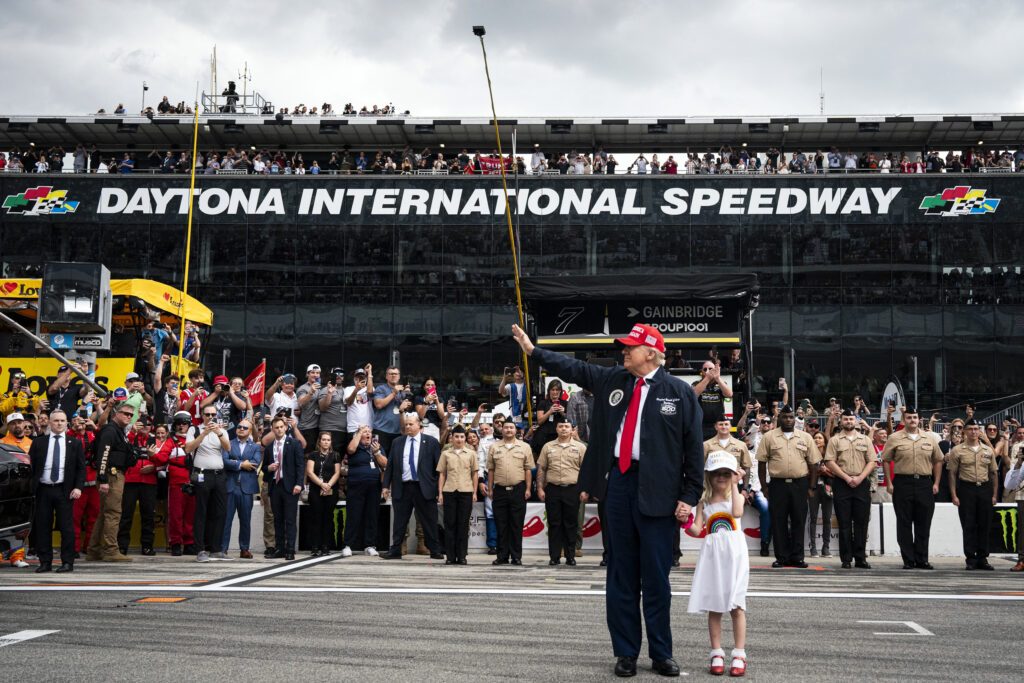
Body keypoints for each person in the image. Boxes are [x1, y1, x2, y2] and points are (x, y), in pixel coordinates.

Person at [512, 322, 702, 678]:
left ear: (651, 352)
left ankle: (662, 653)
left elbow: (694, 450)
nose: (624, 352)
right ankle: (626, 652)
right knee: (620, 575)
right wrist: (533, 351)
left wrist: (690, 496)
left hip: (660, 492)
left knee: (657, 579)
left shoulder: (678, 392)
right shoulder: (614, 380)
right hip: (618, 486)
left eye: (630, 347)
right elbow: (575, 369)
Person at [687, 451, 749, 677]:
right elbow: (697, 529)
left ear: (733, 475)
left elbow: (737, 512)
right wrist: (683, 520)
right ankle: (716, 652)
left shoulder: (737, 497)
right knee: (715, 606)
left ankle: (739, 654)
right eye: (716, 474)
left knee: (736, 605)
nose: (721, 478)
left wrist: (736, 484)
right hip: (713, 555)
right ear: (709, 476)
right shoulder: (704, 502)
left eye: (726, 473)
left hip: (734, 555)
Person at [756, 404, 820, 568]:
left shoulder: (805, 437)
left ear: (794, 418)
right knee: (779, 521)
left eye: (791, 417)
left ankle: (798, 557)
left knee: (799, 520)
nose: (788, 419)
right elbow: (762, 464)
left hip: (800, 484)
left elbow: (813, 465)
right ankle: (781, 557)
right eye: (785, 417)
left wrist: (812, 488)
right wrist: (764, 487)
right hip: (777, 485)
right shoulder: (769, 437)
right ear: (780, 418)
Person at [880, 408, 943, 569]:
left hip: (924, 483)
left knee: (924, 523)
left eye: (915, 417)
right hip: (902, 483)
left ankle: (922, 559)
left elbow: (938, 460)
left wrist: (936, 483)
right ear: (904, 419)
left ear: (919, 419)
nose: (912, 420)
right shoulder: (894, 438)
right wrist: (889, 482)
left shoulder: (929, 438)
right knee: (904, 523)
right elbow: (886, 460)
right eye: (909, 417)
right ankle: (908, 560)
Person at [29, 410, 85, 573]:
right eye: (56, 421)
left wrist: (78, 487)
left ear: (67, 423)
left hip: (64, 491)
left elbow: (81, 468)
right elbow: (31, 466)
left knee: (67, 528)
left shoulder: (74, 443)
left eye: (62, 421)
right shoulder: (38, 442)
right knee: (42, 527)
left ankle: (67, 562)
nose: (59, 423)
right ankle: (45, 562)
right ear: (50, 423)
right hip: (43, 490)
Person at [380, 415, 444, 560]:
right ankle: (395, 550)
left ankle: (434, 550)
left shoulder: (431, 442)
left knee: (429, 520)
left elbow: (438, 468)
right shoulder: (397, 442)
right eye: (406, 424)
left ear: (418, 425)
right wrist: (385, 486)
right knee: (399, 521)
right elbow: (389, 466)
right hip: (402, 487)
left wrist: (435, 486)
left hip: (424, 488)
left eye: (410, 424)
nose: (407, 427)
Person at [824, 410, 876, 569]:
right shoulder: (834, 440)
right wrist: (847, 478)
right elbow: (830, 462)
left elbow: (872, 461)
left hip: (861, 483)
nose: (848, 421)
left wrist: (860, 478)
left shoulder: (865, 440)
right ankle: (846, 559)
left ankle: (860, 558)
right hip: (842, 483)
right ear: (841, 421)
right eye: (845, 419)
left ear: (856, 421)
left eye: (851, 419)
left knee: (861, 523)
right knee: (844, 523)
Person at [86, 402, 137, 562]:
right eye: (125, 413)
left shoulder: (118, 431)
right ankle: (111, 550)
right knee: (113, 513)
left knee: (105, 514)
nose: (129, 416)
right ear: (116, 413)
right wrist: (103, 479)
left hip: (113, 474)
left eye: (131, 414)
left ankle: (93, 549)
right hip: (111, 475)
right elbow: (103, 455)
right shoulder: (110, 430)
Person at [948, 419, 998, 570]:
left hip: (984, 488)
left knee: (985, 524)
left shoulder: (988, 450)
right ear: (964, 431)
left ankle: (983, 558)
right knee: (968, 524)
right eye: (970, 429)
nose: (973, 432)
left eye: (976, 429)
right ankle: (971, 558)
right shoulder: (958, 450)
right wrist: (954, 495)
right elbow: (952, 474)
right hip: (966, 488)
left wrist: (994, 495)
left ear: (979, 431)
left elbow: (994, 474)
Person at [536, 416, 585, 566]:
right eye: (561, 426)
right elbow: (541, 469)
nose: (564, 429)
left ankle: (570, 556)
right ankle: (554, 556)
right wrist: (539, 488)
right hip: (553, 489)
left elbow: (585, 471)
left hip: (573, 489)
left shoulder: (580, 447)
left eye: (567, 426)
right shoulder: (548, 447)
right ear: (556, 429)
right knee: (554, 523)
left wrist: (585, 490)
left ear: (572, 429)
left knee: (571, 524)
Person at [185, 405, 231, 562]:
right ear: (202, 415)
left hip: (219, 475)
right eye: (207, 414)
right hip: (202, 475)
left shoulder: (222, 431)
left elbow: (228, 448)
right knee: (201, 512)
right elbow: (188, 449)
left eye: (213, 414)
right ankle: (200, 549)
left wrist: (218, 432)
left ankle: (216, 548)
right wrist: (204, 433)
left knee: (220, 512)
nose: (210, 417)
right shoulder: (194, 430)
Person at [486, 419, 535, 567]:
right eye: (506, 427)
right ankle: (501, 556)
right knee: (501, 525)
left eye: (511, 428)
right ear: (501, 430)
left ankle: (516, 556)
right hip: (499, 490)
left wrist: (527, 489)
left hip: (518, 490)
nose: (508, 430)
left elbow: (528, 470)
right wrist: (490, 489)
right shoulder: (494, 447)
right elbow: (491, 470)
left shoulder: (525, 447)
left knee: (516, 525)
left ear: (517, 430)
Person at [262, 416, 305, 560]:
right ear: (272, 429)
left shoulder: (294, 443)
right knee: (277, 519)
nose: (279, 429)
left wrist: (299, 483)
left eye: (281, 427)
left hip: (290, 486)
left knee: (290, 519)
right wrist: (268, 467)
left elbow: (300, 465)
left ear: (285, 427)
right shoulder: (269, 448)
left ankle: (290, 550)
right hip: (275, 485)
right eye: (276, 427)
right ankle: (279, 548)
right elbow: (263, 468)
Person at [341, 425, 387, 556]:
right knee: (353, 516)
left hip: (374, 486)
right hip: (356, 485)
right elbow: (350, 449)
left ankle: (369, 545)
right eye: (365, 432)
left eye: (369, 432)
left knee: (371, 516)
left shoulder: (376, 446)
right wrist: (359, 431)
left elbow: (385, 464)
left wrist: (377, 452)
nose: (368, 434)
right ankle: (347, 545)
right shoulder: (355, 445)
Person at [436, 424, 478, 564]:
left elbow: (475, 474)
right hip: (449, 491)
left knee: (463, 524)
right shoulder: (446, 454)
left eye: (461, 437)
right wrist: (440, 492)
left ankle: (462, 556)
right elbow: (442, 474)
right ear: (452, 438)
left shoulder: (471, 454)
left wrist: (474, 492)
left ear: (465, 438)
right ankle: (450, 556)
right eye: (456, 437)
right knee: (450, 524)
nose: (459, 439)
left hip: (466, 491)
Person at [221, 418, 262, 559]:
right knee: (226, 519)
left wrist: (235, 462)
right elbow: (225, 461)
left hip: (246, 488)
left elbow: (255, 462)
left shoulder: (255, 446)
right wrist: (241, 465)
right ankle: (223, 548)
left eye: (245, 428)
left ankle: (244, 548)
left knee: (245, 519)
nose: (241, 429)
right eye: (239, 427)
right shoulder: (229, 444)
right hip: (230, 486)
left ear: (250, 431)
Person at [156, 411, 195, 555]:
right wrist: (153, 455)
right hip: (176, 482)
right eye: (178, 423)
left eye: (184, 423)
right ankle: (176, 543)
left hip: (193, 481)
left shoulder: (195, 438)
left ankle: (190, 543)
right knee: (176, 515)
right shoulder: (170, 441)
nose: (181, 426)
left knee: (191, 515)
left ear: (189, 424)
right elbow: (160, 458)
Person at [117, 419, 160, 555]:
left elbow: (164, 459)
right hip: (130, 480)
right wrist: (133, 431)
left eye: (147, 424)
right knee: (126, 514)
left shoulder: (156, 440)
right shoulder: (130, 437)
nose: (144, 426)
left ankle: (147, 546)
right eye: (141, 423)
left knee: (148, 515)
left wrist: (154, 467)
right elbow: (121, 448)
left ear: (151, 426)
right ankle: (122, 546)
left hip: (149, 481)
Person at [305, 432, 341, 557]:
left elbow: (337, 473)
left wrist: (328, 485)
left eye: (328, 440)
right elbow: (309, 472)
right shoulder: (313, 455)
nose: (326, 442)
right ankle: (315, 546)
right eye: (324, 439)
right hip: (316, 489)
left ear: (331, 442)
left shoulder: (335, 455)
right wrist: (321, 484)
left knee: (328, 518)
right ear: (319, 441)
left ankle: (326, 546)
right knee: (316, 518)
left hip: (331, 490)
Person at [373, 366, 412, 454]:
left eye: (395, 374)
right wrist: (394, 392)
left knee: (395, 459)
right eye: (391, 374)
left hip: (398, 431)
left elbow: (408, 410)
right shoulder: (381, 389)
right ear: (386, 376)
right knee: (379, 457)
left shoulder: (403, 390)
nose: (393, 376)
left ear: (399, 376)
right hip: (381, 430)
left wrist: (407, 396)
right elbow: (378, 405)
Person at [691, 360, 734, 440]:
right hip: (701, 425)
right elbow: (694, 394)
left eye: (710, 369)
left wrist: (717, 378)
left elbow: (729, 394)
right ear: (702, 371)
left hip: (718, 425)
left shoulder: (720, 383)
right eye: (705, 369)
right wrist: (707, 378)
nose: (707, 371)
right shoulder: (696, 383)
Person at [807, 431, 833, 559]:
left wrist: (826, 470)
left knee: (827, 519)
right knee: (813, 518)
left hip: (828, 489)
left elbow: (836, 473)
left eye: (820, 438)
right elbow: (805, 472)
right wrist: (818, 471)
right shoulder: (808, 454)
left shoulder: (829, 455)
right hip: (813, 489)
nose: (817, 440)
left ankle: (826, 548)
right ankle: (813, 548)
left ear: (824, 441)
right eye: (815, 437)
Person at [316, 367, 350, 454]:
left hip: (343, 430)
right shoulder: (325, 390)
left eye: (341, 374)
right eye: (336, 374)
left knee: (339, 459)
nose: (339, 376)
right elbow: (322, 408)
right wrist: (330, 393)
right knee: (327, 458)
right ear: (331, 376)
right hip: (328, 429)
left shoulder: (347, 391)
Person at [1004, 441, 1024, 572]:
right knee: (1023, 531)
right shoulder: (1019, 447)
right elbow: (1010, 484)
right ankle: (1022, 560)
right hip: (1023, 496)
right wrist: (1019, 463)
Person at [296, 364, 323, 449]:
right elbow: (301, 402)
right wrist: (311, 392)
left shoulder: (321, 388)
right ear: (307, 374)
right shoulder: (302, 388)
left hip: (319, 426)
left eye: (317, 373)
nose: (315, 375)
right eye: (313, 372)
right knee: (307, 455)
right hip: (307, 427)